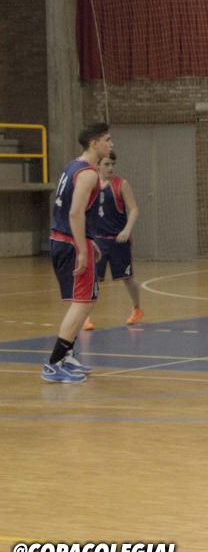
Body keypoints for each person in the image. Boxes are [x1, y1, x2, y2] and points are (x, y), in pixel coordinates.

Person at [42, 123, 113, 383]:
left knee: (86, 301)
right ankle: (53, 364)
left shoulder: (73, 165)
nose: (111, 144)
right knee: (83, 302)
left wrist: (86, 241)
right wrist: (82, 249)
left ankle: (67, 356)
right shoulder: (89, 174)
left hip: (64, 238)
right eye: (107, 139)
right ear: (95, 143)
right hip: (70, 243)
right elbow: (74, 213)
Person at [83, 152, 144, 331]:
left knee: (128, 278)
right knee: (93, 279)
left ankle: (137, 308)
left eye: (113, 164)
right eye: (107, 164)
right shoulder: (91, 185)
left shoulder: (121, 184)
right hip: (98, 240)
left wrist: (127, 229)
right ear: (98, 165)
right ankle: (85, 316)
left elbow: (134, 209)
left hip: (119, 239)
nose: (110, 168)